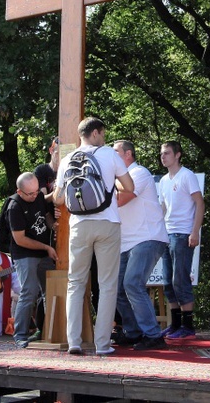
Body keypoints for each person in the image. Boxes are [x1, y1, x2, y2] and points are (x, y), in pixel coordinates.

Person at [53, 117, 134, 355]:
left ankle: (74, 342)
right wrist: (111, 189)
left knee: (76, 283)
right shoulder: (109, 154)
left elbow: (58, 198)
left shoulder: (68, 159)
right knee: (107, 285)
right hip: (107, 224)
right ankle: (102, 344)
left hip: (79, 226)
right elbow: (129, 187)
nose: (105, 137)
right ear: (96, 133)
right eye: (104, 133)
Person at [112, 140, 169, 350]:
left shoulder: (138, 172)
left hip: (147, 237)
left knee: (132, 283)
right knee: (117, 288)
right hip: (126, 242)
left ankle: (153, 335)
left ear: (128, 155)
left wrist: (105, 182)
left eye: (115, 152)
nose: (111, 156)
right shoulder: (120, 178)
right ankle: (134, 332)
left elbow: (121, 199)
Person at [158, 140, 204, 339]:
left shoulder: (187, 176)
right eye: (161, 153)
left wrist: (195, 231)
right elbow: (163, 208)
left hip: (183, 233)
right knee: (167, 280)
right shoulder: (163, 180)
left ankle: (188, 325)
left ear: (177, 155)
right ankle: (175, 324)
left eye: (167, 153)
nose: (163, 156)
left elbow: (200, 204)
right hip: (167, 234)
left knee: (180, 279)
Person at [8, 171, 59, 348]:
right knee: (28, 292)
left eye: (37, 191)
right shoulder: (14, 207)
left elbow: (46, 214)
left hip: (44, 252)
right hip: (25, 254)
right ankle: (20, 334)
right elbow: (20, 239)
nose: (35, 196)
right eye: (30, 193)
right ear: (19, 192)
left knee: (50, 291)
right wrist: (46, 247)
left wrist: (53, 224)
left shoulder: (37, 195)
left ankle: (47, 330)